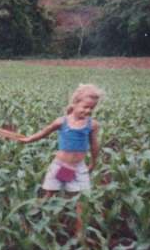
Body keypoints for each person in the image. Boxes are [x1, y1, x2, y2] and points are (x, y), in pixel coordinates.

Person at [18, 84, 104, 234]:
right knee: (50, 194)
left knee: (81, 200)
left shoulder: (92, 125)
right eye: (85, 107)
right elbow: (43, 133)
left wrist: (93, 162)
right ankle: (32, 221)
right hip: (62, 166)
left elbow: (95, 145)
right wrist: (28, 139)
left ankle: (79, 233)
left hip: (77, 168)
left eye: (92, 108)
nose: (88, 111)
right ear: (75, 103)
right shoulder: (62, 121)